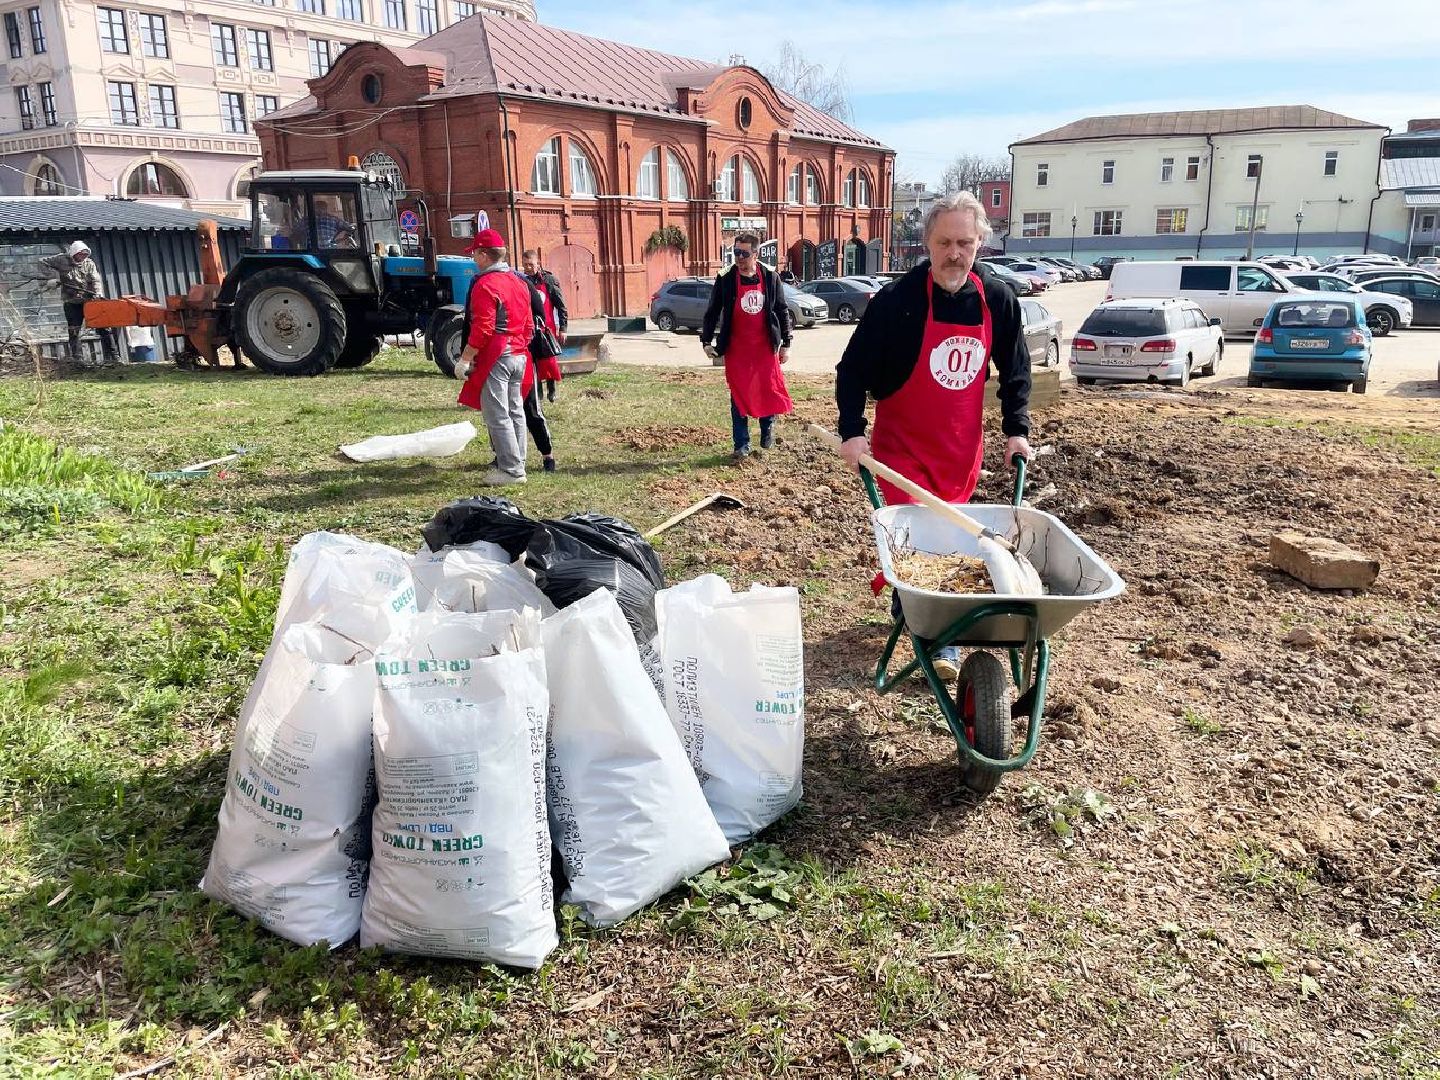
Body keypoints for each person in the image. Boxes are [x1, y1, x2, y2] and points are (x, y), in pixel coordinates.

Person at [834, 191, 1033, 681]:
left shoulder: (998, 300)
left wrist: (1017, 429)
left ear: (980, 242)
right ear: (927, 243)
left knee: (950, 543)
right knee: (918, 540)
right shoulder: (897, 303)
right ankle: (939, 640)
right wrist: (852, 431)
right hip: (901, 450)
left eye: (964, 242)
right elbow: (852, 370)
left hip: (959, 450)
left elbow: (1015, 369)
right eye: (944, 242)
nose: (954, 253)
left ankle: (916, 607)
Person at [700, 232, 793, 461]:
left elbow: (781, 310)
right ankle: (741, 444)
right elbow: (712, 311)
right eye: (736, 253)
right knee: (738, 395)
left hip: (764, 346)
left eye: (743, 253)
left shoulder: (770, 277)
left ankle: (767, 426)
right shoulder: (726, 278)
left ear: (756, 253)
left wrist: (786, 344)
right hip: (737, 348)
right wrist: (706, 340)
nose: (739, 258)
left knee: (767, 389)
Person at [454, 228, 535, 486]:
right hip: (519, 354)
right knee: (515, 411)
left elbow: (483, 329)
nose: (473, 259)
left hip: (497, 356)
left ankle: (511, 470)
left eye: (475, 254)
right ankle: (516, 462)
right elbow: (529, 325)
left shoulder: (485, 285)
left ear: (484, 255)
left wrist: (465, 358)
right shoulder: (519, 282)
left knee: (498, 414)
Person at [39, 240, 120, 366]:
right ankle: (78, 359)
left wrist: (98, 293)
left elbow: (96, 280)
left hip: (90, 301)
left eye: (85, 255)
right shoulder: (60, 260)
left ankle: (114, 358)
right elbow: (42, 262)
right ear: (74, 253)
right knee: (74, 331)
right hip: (72, 302)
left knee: (104, 328)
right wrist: (52, 277)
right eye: (80, 255)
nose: (83, 257)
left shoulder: (89, 263)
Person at [520, 249, 568, 403]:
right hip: (529, 327)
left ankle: (552, 389)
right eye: (525, 264)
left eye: (531, 264)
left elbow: (561, 306)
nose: (528, 268)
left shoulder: (549, 280)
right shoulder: (522, 281)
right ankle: (538, 391)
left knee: (548, 360)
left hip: (547, 327)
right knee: (533, 360)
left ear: (538, 263)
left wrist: (563, 328)